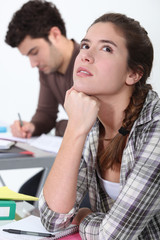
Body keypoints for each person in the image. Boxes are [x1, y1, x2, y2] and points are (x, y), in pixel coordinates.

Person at [39, 13, 160, 239]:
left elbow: (113, 236)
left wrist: (84, 217)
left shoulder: (155, 127)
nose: (85, 56)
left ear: (133, 74)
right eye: (85, 45)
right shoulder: (88, 120)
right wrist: (75, 127)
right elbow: (52, 220)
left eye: (106, 49)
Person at [5, 0, 79, 200]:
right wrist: (32, 126)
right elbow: (46, 115)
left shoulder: (86, 65)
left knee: (43, 200)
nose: (32, 63)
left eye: (34, 52)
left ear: (55, 35)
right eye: (27, 57)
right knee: (26, 193)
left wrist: (62, 126)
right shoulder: (48, 70)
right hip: (73, 161)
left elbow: (94, 128)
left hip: (96, 168)